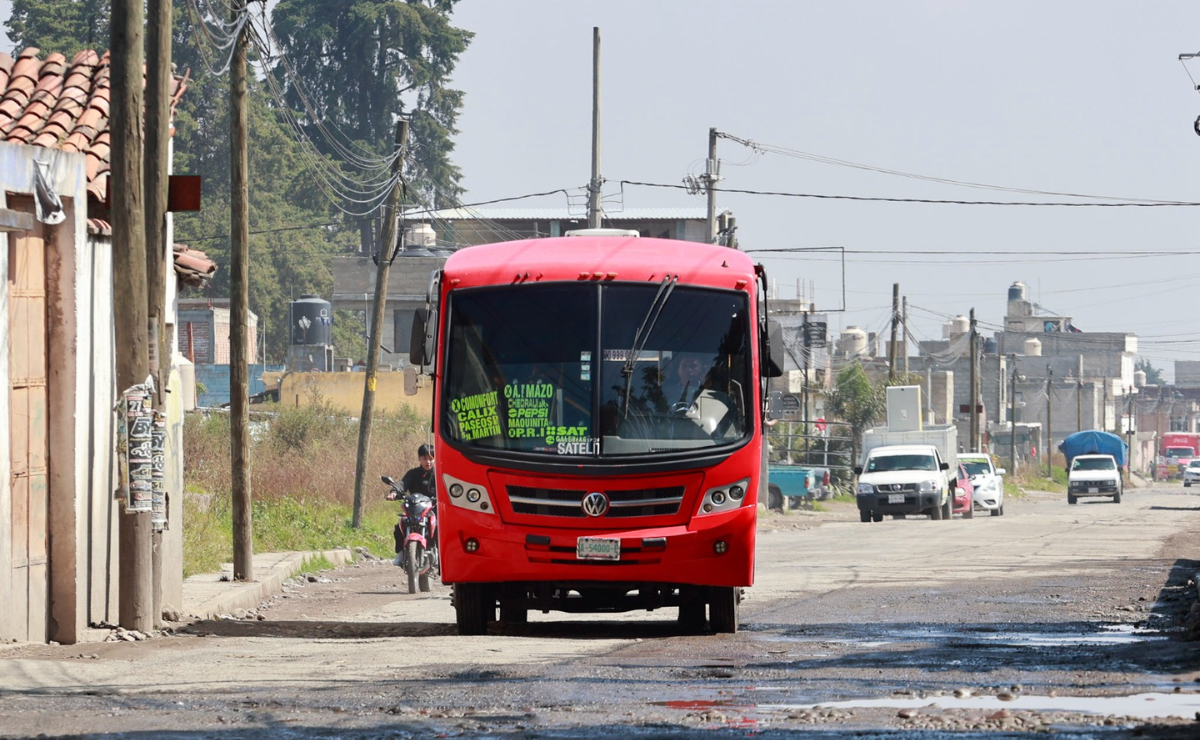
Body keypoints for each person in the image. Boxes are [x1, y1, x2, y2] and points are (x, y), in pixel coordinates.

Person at [389, 444, 435, 565]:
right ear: (419, 459)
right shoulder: (413, 473)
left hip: (433, 509)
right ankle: (401, 554)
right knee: (400, 526)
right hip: (414, 510)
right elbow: (403, 484)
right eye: (425, 458)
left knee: (442, 527)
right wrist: (394, 492)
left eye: (431, 458)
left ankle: (441, 555)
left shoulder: (439, 473)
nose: (428, 462)